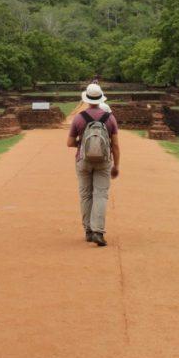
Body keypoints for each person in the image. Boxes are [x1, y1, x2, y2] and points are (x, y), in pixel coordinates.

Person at [67, 82, 120, 247]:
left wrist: (83, 146)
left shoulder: (79, 118)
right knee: (101, 195)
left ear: (87, 99)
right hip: (104, 161)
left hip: (83, 160)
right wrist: (116, 165)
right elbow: (116, 145)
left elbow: (69, 143)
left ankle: (88, 230)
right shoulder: (109, 118)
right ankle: (98, 231)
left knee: (85, 195)